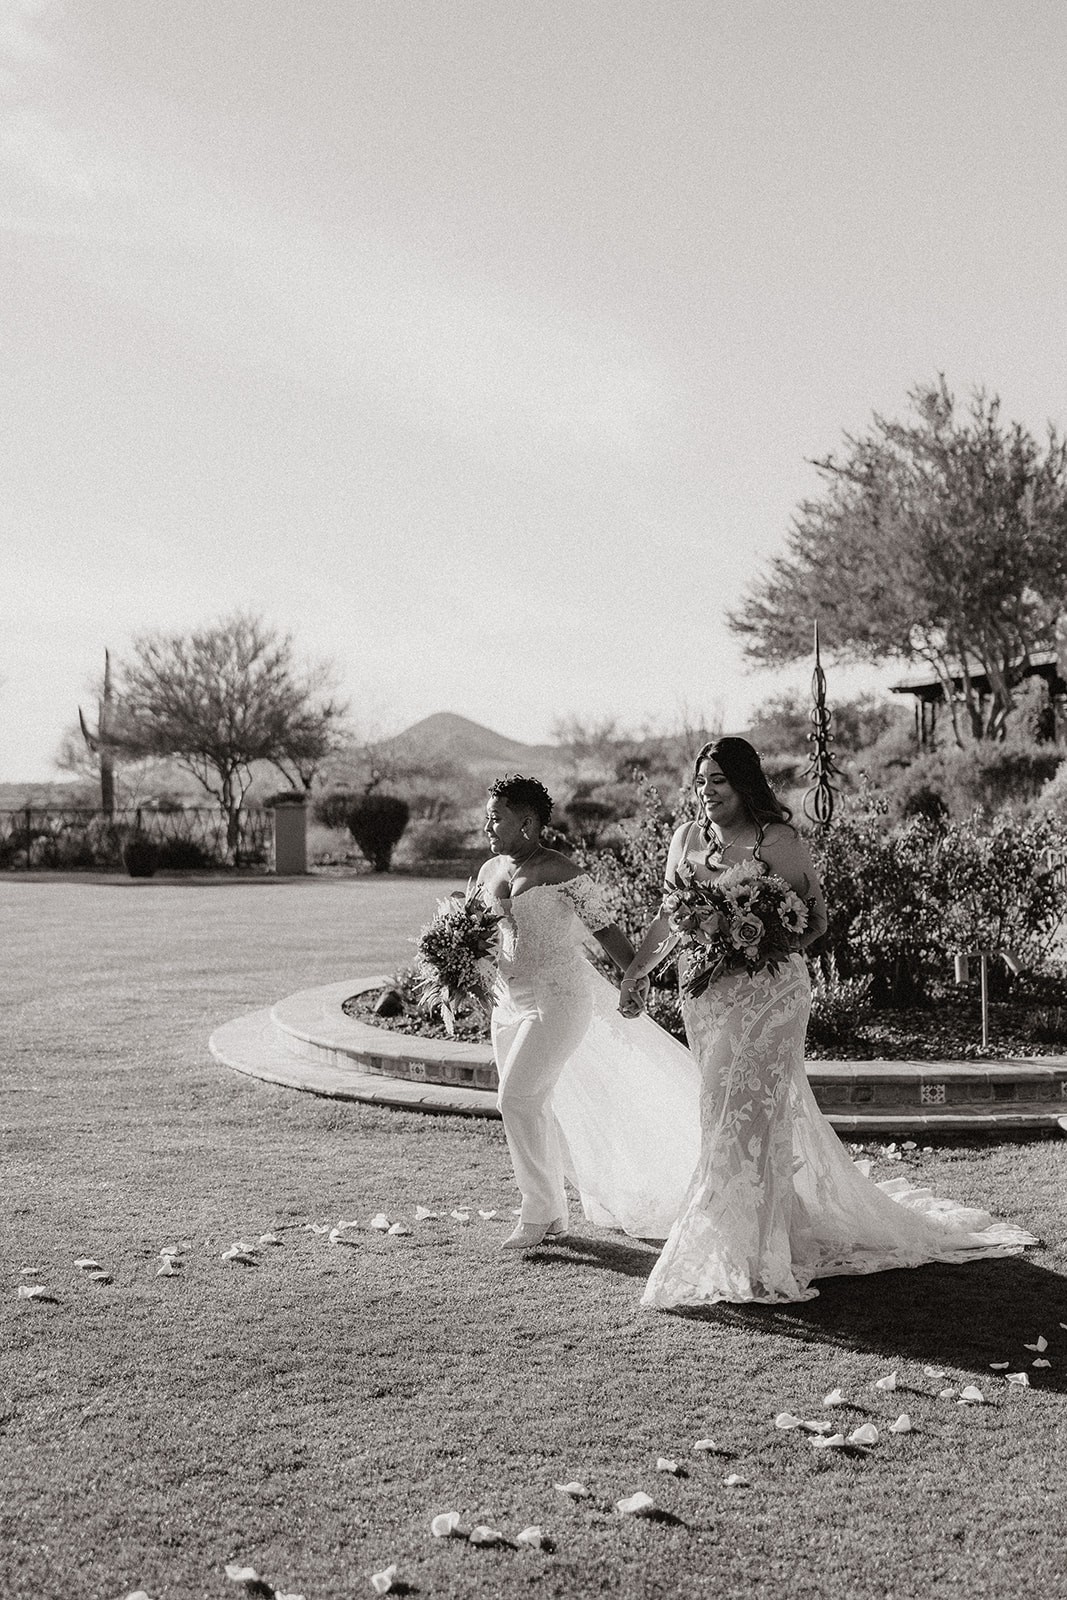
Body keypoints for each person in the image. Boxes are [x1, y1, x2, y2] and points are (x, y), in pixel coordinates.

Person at [618, 737, 1035, 1308]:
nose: (707, 791)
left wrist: (756, 942)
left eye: (718, 780)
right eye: (700, 781)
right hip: (706, 996)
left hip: (771, 996)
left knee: (745, 1112)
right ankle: (759, 1231)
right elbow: (670, 918)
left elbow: (813, 921)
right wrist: (638, 972)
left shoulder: (776, 840)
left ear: (744, 783)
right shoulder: (686, 840)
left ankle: (748, 1251)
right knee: (718, 1112)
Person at [477, 773, 701, 1250]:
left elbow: (606, 932)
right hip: (505, 1002)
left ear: (528, 823)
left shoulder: (562, 872)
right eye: (487, 817)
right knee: (531, 1104)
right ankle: (552, 1212)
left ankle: (535, 1213)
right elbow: (475, 932)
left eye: (496, 818)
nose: (487, 827)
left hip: (558, 1001)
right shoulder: (487, 872)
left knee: (513, 1099)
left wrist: (634, 978)